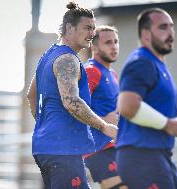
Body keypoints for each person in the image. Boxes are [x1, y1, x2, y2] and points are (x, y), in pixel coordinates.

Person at [26, 2, 117, 189]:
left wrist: (47, 126)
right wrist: (104, 126)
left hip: (47, 147)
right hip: (63, 149)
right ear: (69, 27)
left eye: (93, 28)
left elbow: (31, 95)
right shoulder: (68, 59)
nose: (92, 33)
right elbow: (71, 101)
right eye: (87, 28)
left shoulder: (48, 55)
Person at [116, 8, 177, 189]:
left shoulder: (156, 63)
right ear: (145, 34)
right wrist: (168, 124)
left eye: (171, 27)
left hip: (158, 156)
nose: (170, 33)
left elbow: (148, 105)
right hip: (142, 157)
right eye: (163, 28)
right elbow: (128, 106)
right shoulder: (142, 62)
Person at [83, 25, 127, 189]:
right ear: (94, 46)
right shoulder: (91, 71)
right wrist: (102, 120)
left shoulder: (112, 74)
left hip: (114, 145)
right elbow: (71, 108)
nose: (114, 46)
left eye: (116, 42)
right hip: (98, 148)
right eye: (108, 42)